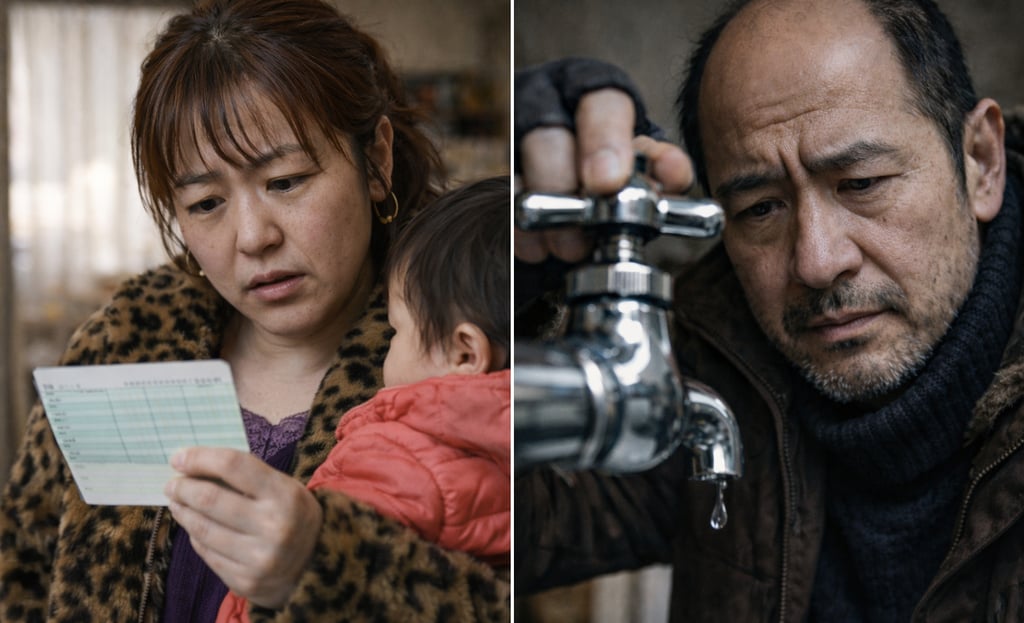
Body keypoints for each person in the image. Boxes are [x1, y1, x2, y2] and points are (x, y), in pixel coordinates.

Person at [0, 1, 510, 621]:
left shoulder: (458, 359)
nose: (252, 237)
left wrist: (325, 564)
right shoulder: (124, 344)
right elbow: (20, 574)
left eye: (286, 181)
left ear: (374, 160)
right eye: (207, 202)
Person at [514, 0, 1024, 621]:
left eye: (860, 183)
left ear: (981, 162)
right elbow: (499, 524)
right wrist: (505, 287)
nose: (815, 261)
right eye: (760, 208)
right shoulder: (710, 371)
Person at [216, 176, 512, 623]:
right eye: (206, 203)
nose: (255, 237)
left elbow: (292, 583)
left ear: (465, 353)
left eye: (395, 331)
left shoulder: (392, 458)